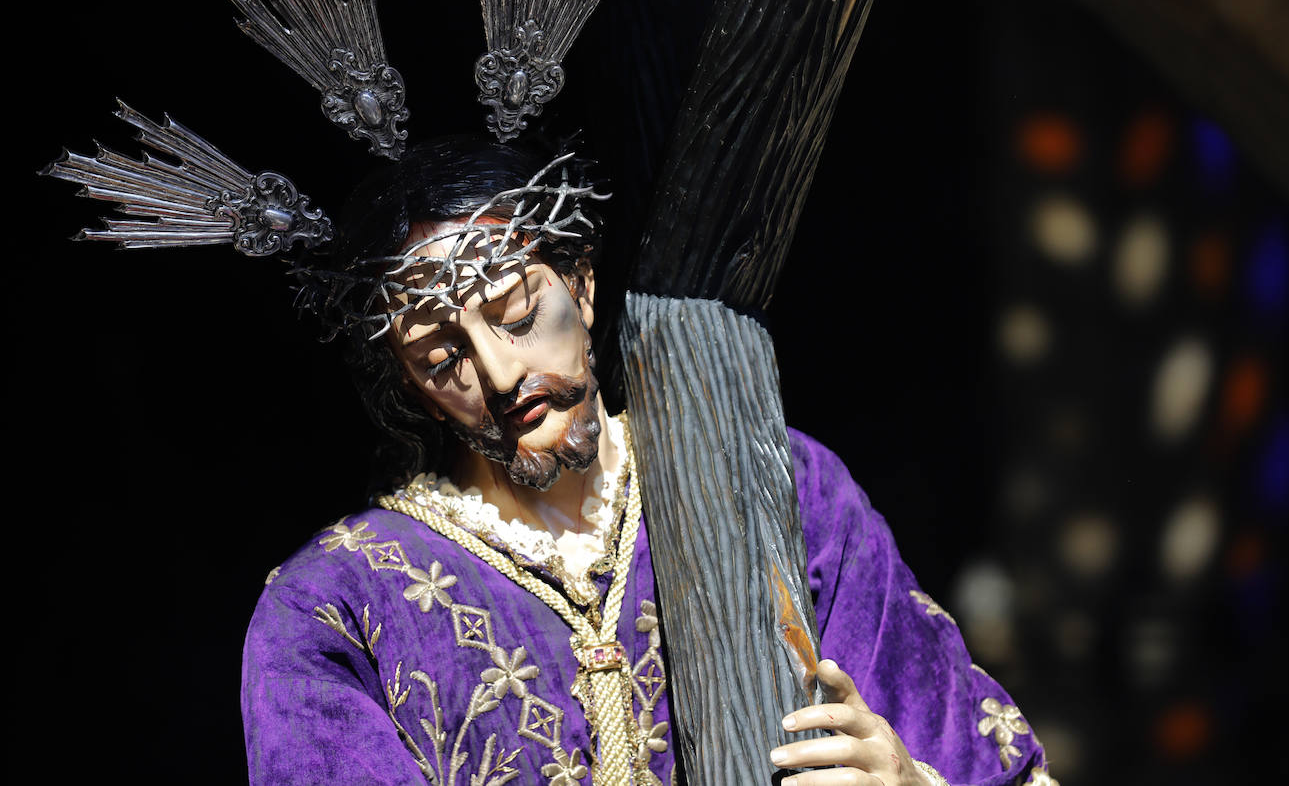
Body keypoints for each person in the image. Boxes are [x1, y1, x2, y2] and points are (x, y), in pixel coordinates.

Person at [240, 138, 1052, 786]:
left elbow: (992, 766)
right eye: (441, 356)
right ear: (409, 388)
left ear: (583, 285)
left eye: (518, 315)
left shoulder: (779, 486)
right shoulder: (334, 604)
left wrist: (906, 782)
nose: (497, 373)